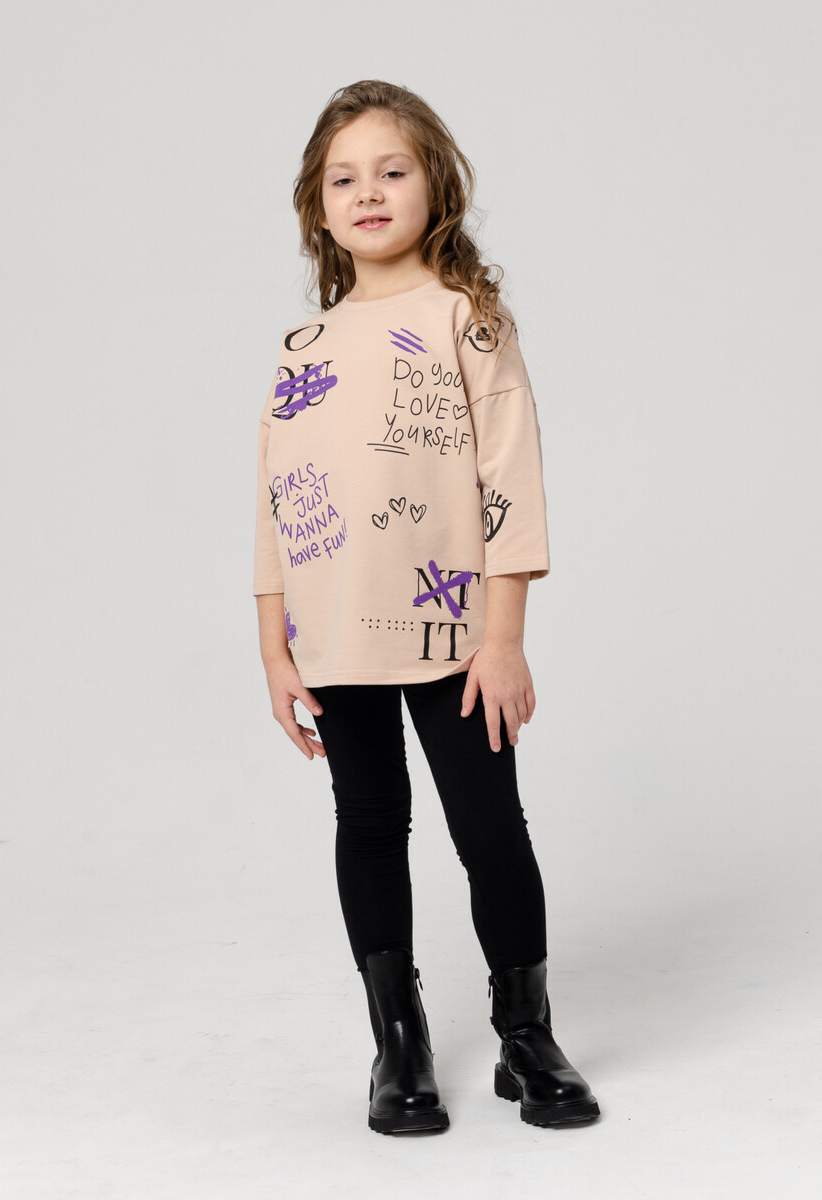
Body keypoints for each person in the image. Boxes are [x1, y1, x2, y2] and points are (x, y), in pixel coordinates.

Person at [252, 79, 600, 1135]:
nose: (368, 193)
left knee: (489, 826)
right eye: (344, 180)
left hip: (453, 634)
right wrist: (273, 650)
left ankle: (526, 1034)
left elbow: (510, 483)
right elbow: (275, 507)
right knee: (368, 822)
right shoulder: (301, 351)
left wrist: (505, 639)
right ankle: (397, 1043)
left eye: (391, 171)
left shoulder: (467, 323)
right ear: (319, 209)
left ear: (434, 187)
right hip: (334, 635)